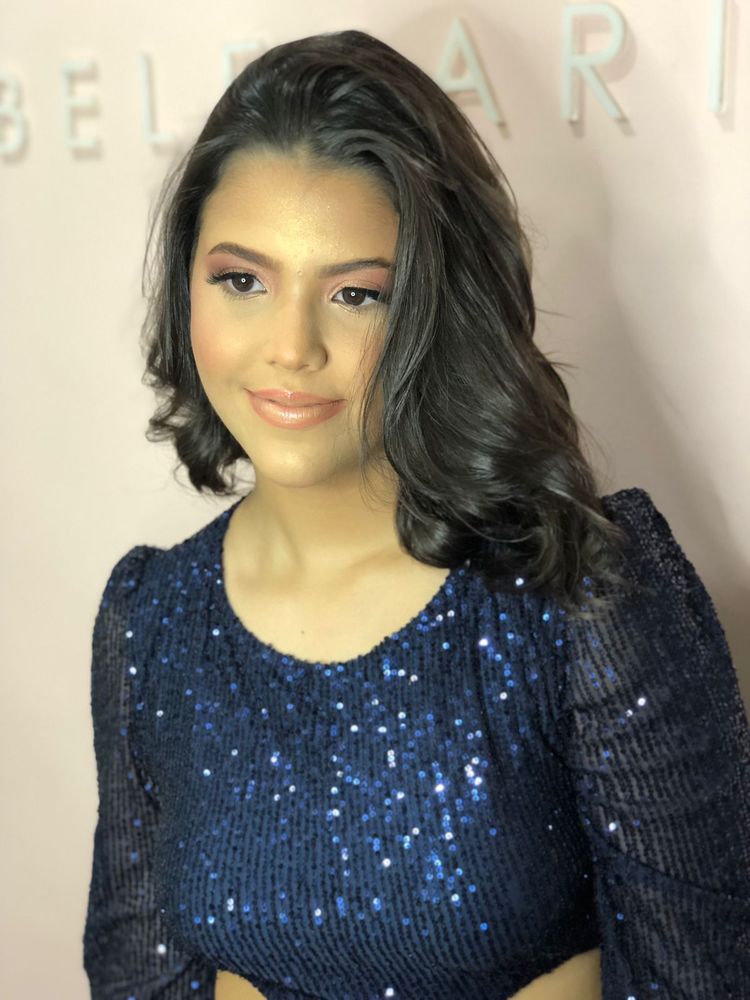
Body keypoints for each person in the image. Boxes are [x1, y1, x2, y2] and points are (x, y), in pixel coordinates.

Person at [82, 28, 750, 1000]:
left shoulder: (580, 594)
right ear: (188, 283)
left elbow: (702, 973)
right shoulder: (150, 620)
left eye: (357, 294)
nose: (291, 347)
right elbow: (139, 976)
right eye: (243, 280)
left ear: (437, 308)